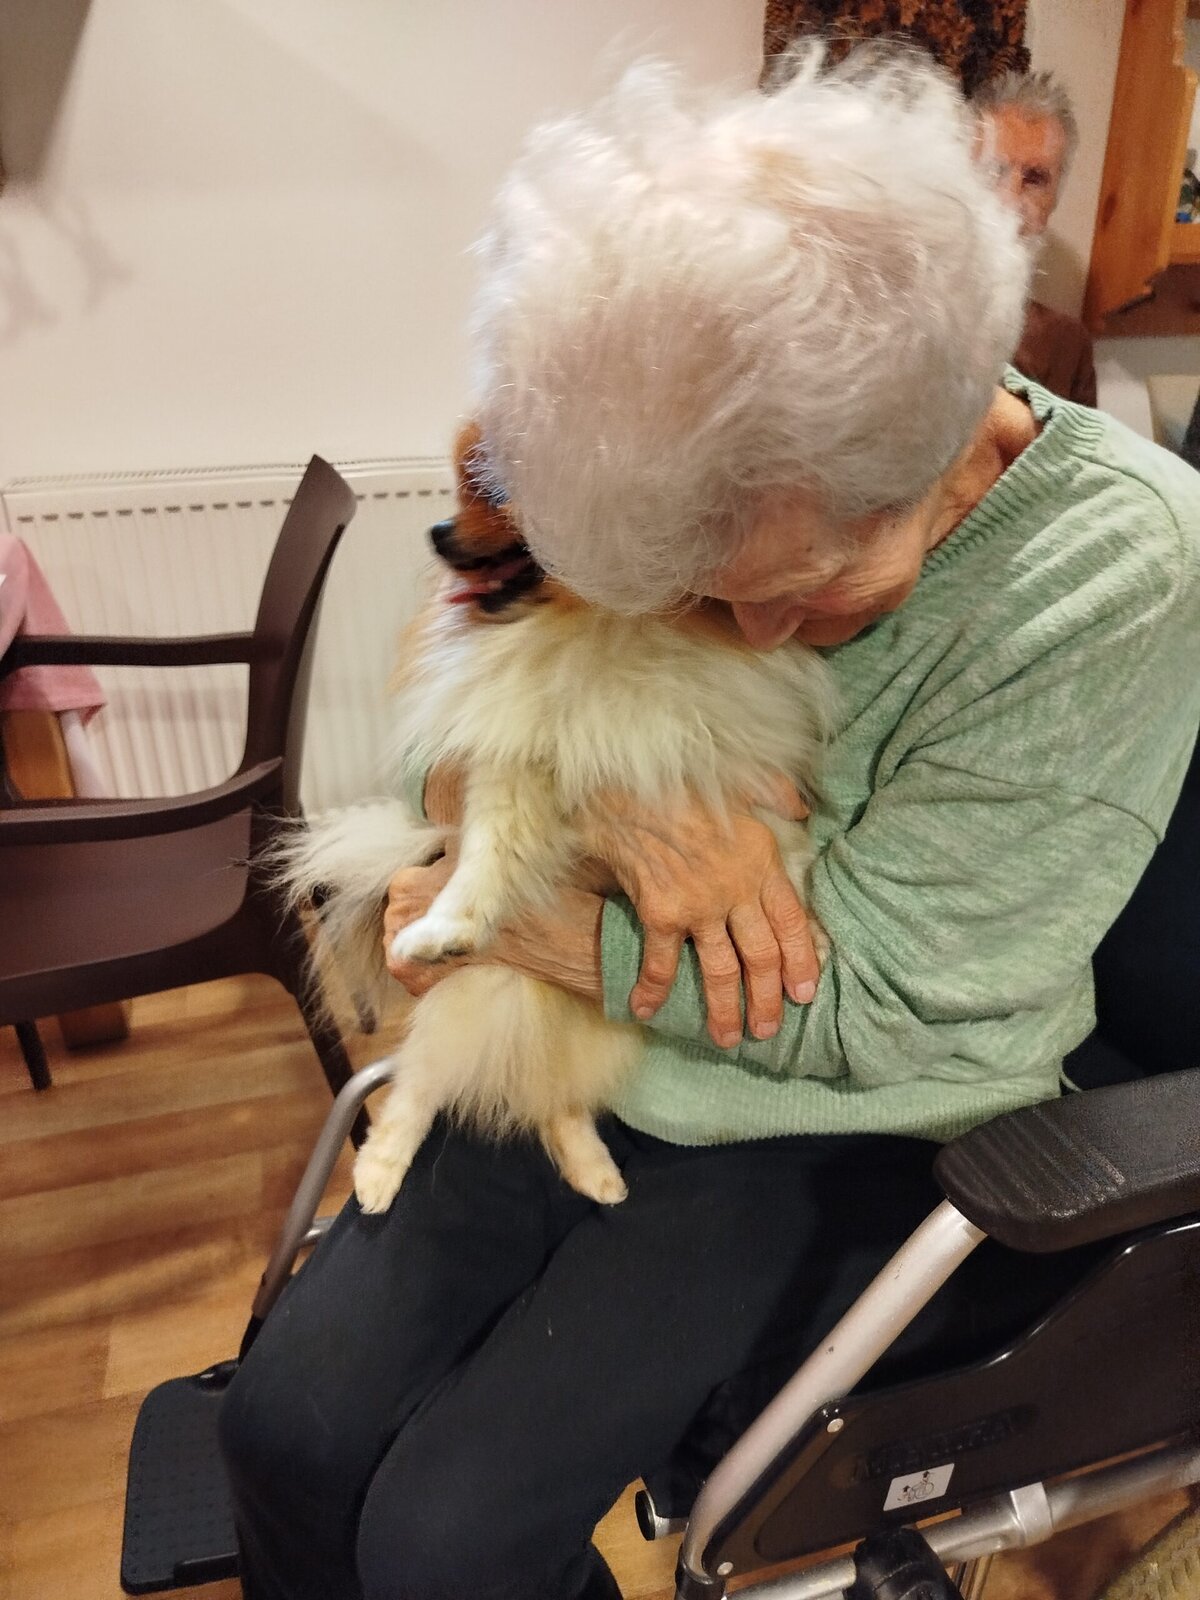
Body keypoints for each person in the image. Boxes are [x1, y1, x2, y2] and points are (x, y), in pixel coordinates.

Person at [219, 46, 1200, 1600]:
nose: (744, 636)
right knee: (279, 1430)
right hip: (586, 1048)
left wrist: (529, 916)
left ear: (942, 437)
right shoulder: (651, 438)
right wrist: (624, 817)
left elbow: (882, 998)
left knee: (445, 1543)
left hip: (853, 1118)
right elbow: (446, 741)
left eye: (803, 591)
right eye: (692, 588)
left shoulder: (1112, 567)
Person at [973, 69, 1098, 406]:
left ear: (1054, 199)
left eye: (1035, 178)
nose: (1010, 199)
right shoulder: (905, 313)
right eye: (993, 171)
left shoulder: (1067, 346)